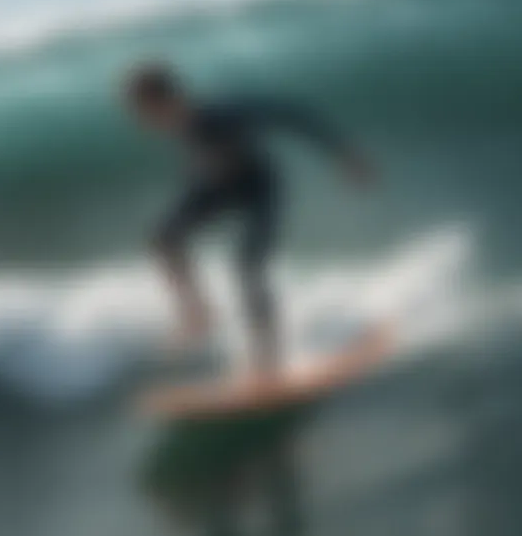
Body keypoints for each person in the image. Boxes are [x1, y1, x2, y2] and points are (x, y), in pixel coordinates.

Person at [124, 62, 375, 376]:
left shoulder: (222, 110)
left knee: (247, 267)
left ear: (165, 100)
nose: (141, 121)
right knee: (162, 240)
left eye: (142, 111)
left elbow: (293, 113)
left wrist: (343, 153)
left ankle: (268, 359)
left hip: (260, 189)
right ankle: (199, 313)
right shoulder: (181, 122)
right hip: (215, 188)